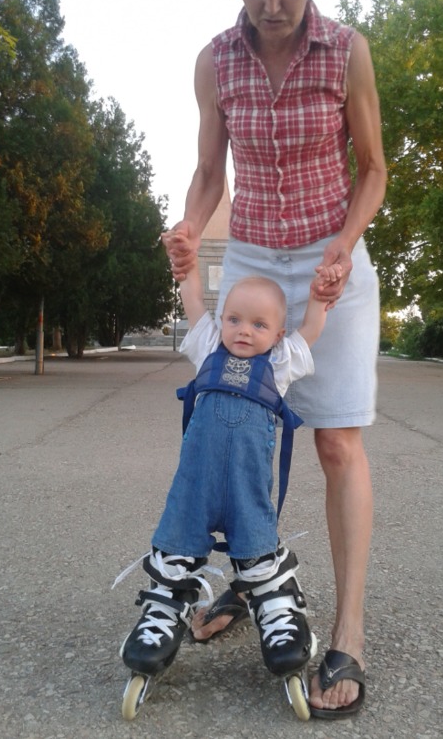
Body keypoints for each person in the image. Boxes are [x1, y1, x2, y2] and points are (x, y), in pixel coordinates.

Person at [162, 0, 386, 720]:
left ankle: (348, 630)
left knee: (337, 442)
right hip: (252, 262)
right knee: (238, 429)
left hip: (330, 256)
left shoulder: (347, 51)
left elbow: (373, 168)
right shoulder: (215, 60)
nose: (271, 3)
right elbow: (208, 172)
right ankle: (254, 579)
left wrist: (344, 244)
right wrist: (190, 227)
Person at [119, 261, 336, 713]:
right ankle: (164, 610)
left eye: (259, 324)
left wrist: (319, 298)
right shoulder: (207, 347)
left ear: (278, 335)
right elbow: (192, 301)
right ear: (221, 321)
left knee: (256, 545)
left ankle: (276, 609)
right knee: (177, 540)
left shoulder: (280, 363)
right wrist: (186, 267)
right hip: (195, 485)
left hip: (246, 487)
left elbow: (311, 331)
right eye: (234, 319)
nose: (243, 331)